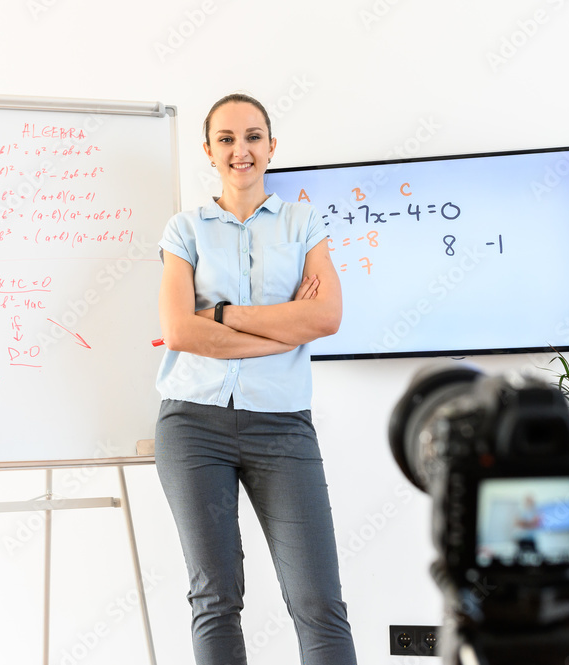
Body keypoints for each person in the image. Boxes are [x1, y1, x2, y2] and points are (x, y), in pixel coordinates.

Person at [153, 93, 357, 665]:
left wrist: (219, 313)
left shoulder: (303, 221)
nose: (240, 150)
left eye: (251, 137)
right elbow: (178, 333)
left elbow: (326, 317)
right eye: (226, 138)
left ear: (271, 146)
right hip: (192, 425)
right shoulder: (185, 229)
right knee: (216, 599)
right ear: (209, 150)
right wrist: (283, 329)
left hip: (282, 428)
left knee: (318, 600)